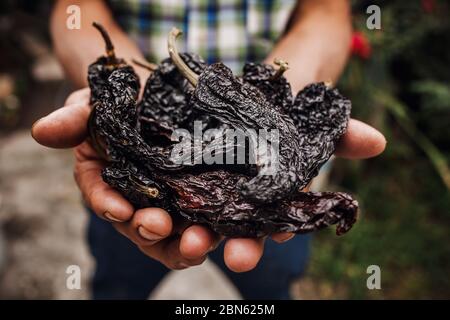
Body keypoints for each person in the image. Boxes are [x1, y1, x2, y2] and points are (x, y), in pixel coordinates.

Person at [32, 0, 386, 299]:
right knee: (117, 285)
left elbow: (327, 10)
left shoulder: (258, 134)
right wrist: (110, 93)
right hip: (135, 198)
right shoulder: (150, 130)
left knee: (271, 284)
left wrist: (288, 90)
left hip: (268, 197)